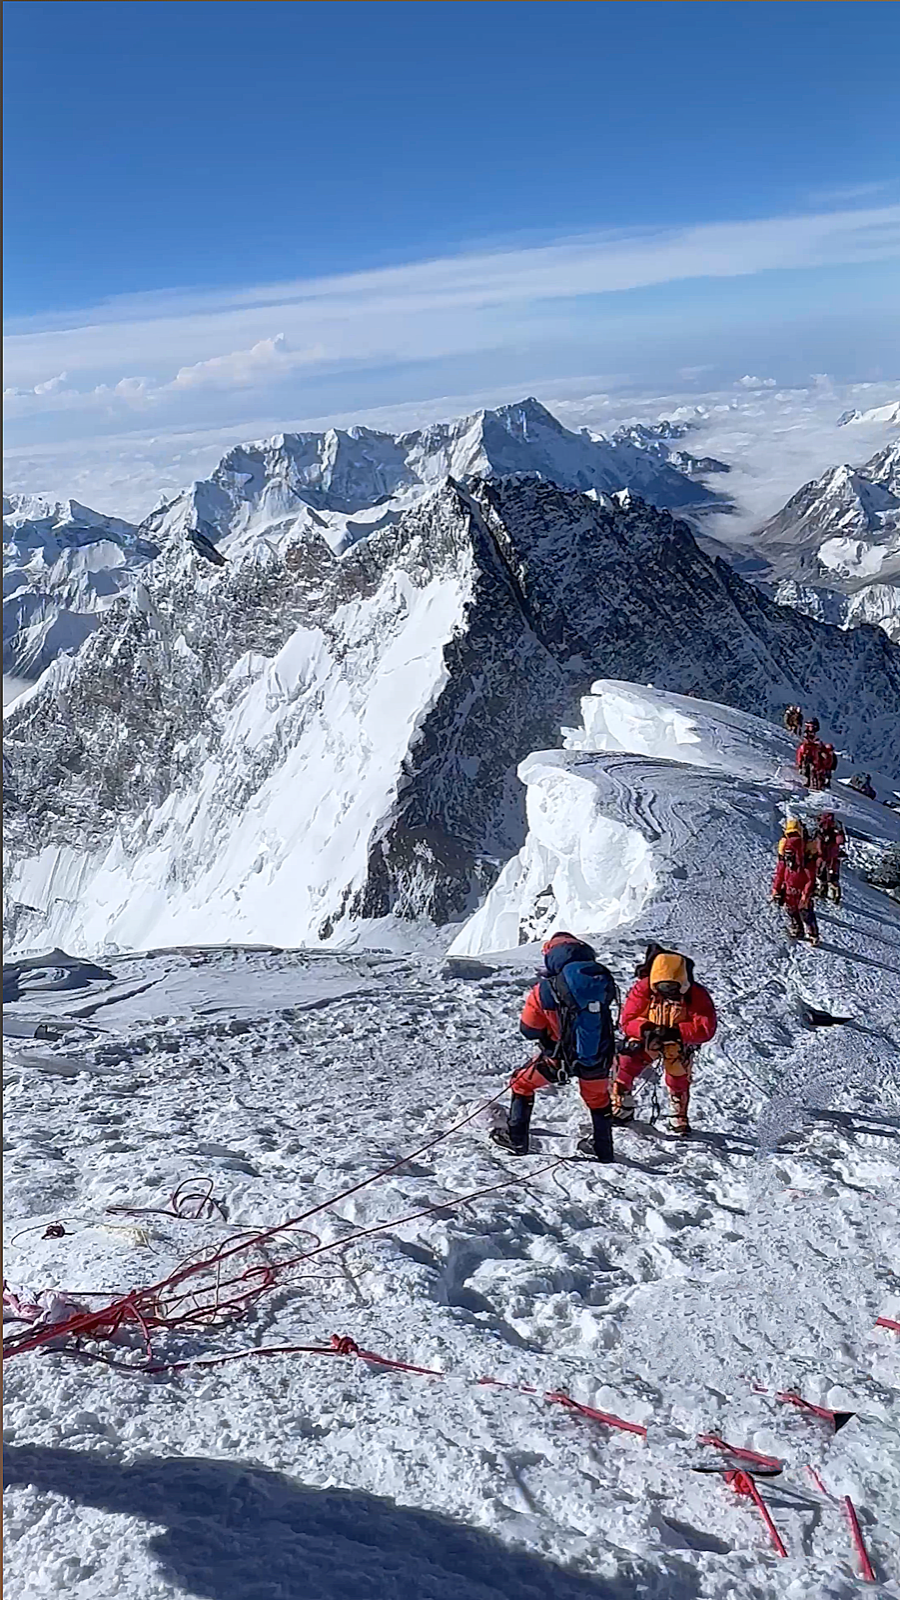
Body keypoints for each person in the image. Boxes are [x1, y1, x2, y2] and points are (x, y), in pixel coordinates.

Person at [492, 932, 618, 1163]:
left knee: (521, 1083)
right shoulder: (603, 981)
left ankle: (517, 1139)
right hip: (597, 1057)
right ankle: (603, 1150)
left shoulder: (544, 990)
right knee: (598, 1099)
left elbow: (529, 1029)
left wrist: (551, 1036)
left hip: (557, 1059)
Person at [609, 945, 717, 1137]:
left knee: (677, 1070)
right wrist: (646, 1029)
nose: (667, 992)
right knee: (626, 1061)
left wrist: (677, 1031)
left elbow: (706, 1028)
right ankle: (621, 1104)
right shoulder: (643, 988)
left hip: (678, 1041)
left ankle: (678, 1114)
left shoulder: (696, 994)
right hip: (649, 1037)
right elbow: (627, 1020)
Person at [771, 817, 820, 945]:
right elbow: (780, 872)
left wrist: (805, 895)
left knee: (806, 913)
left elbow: (810, 878)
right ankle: (798, 929)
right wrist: (776, 888)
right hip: (789, 890)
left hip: (801, 891)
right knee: (791, 911)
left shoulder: (807, 858)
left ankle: (813, 934)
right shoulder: (786, 859)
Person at [814, 811, 846, 903]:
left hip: (826, 857)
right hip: (830, 857)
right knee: (827, 875)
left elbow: (818, 843)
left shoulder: (824, 831)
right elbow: (840, 841)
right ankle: (827, 891)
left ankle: (829, 892)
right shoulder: (834, 831)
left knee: (825, 875)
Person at [796, 725, 825, 790]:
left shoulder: (813, 747)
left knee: (813, 772)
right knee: (808, 772)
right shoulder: (805, 746)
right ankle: (811, 784)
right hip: (807, 759)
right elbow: (800, 755)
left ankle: (815, 785)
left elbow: (815, 755)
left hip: (811, 759)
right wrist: (800, 764)